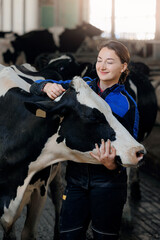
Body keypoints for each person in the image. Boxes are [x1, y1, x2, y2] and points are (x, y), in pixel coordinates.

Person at [30, 40, 139, 240]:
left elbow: (130, 148)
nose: (102, 66)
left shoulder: (126, 104)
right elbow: (34, 86)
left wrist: (113, 165)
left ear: (123, 66)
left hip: (108, 183)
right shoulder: (81, 87)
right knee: (69, 236)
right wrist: (46, 86)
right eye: (99, 60)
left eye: (110, 62)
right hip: (75, 180)